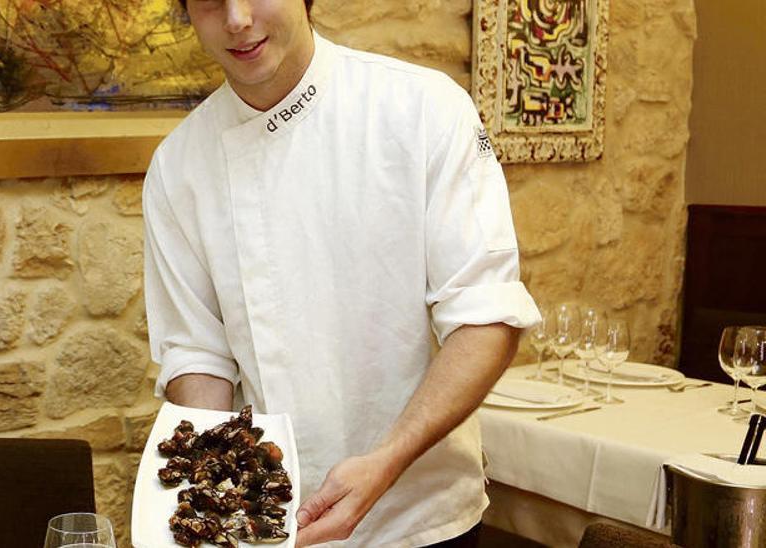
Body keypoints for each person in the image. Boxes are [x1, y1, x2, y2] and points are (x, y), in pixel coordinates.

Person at [141, 0, 542, 546]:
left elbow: (486, 316)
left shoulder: (421, 109)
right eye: (211, 1)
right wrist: (207, 511)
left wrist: (387, 458)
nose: (236, 20)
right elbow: (198, 354)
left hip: (417, 520)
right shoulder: (178, 165)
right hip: (272, 524)